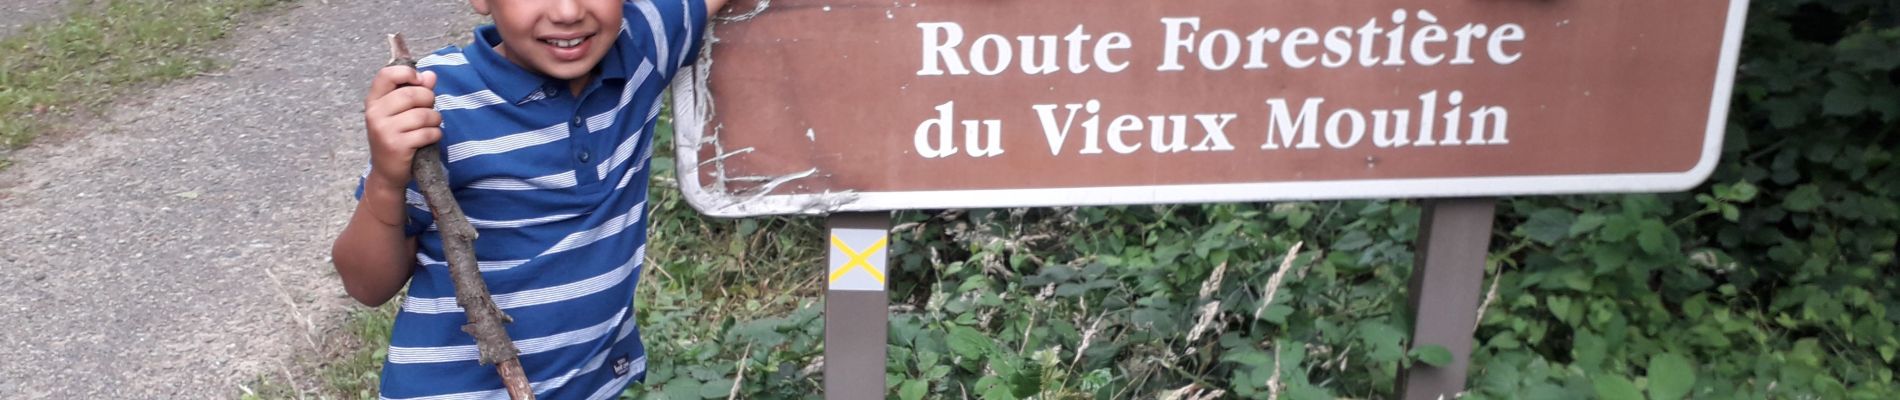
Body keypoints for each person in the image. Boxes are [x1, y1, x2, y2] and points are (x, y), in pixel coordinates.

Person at [331, 0, 728, 397]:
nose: (568, 12)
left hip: (597, 386)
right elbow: (368, 286)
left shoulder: (644, 46)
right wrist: (386, 180)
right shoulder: (437, 104)